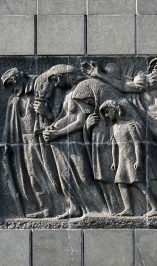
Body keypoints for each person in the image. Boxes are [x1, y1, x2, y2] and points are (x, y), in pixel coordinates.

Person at [43, 65, 106, 219]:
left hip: (74, 140)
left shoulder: (82, 90)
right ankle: (74, 206)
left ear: (67, 75)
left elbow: (80, 121)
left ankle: (103, 209)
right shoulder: (67, 94)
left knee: (83, 175)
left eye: (56, 79)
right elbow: (65, 115)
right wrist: (52, 127)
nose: (56, 84)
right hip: (61, 142)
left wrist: (57, 133)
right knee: (65, 175)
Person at [0, 68, 59, 218]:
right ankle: (46, 208)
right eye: (9, 86)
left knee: (51, 173)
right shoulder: (14, 101)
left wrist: (47, 114)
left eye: (12, 83)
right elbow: (9, 124)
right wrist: (4, 142)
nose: (12, 88)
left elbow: (61, 114)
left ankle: (63, 206)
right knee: (32, 176)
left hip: (42, 139)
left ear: (19, 77)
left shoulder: (41, 91)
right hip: (24, 143)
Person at [100, 100, 157, 217]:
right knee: (121, 183)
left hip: (131, 159)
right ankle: (128, 209)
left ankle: (155, 208)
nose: (107, 115)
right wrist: (114, 161)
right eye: (105, 113)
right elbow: (114, 146)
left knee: (139, 183)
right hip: (122, 160)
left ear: (115, 110)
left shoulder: (130, 125)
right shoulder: (113, 128)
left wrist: (138, 160)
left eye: (108, 111)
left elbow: (137, 143)